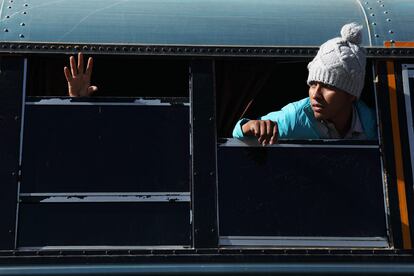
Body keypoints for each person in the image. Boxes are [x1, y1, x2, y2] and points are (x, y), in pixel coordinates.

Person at [232, 22, 377, 145]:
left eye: (328, 86)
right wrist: (250, 126)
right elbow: (239, 133)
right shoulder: (295, 117)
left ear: (351, 94)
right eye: (313, 84)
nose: (315, 94)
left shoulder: (374, 124)